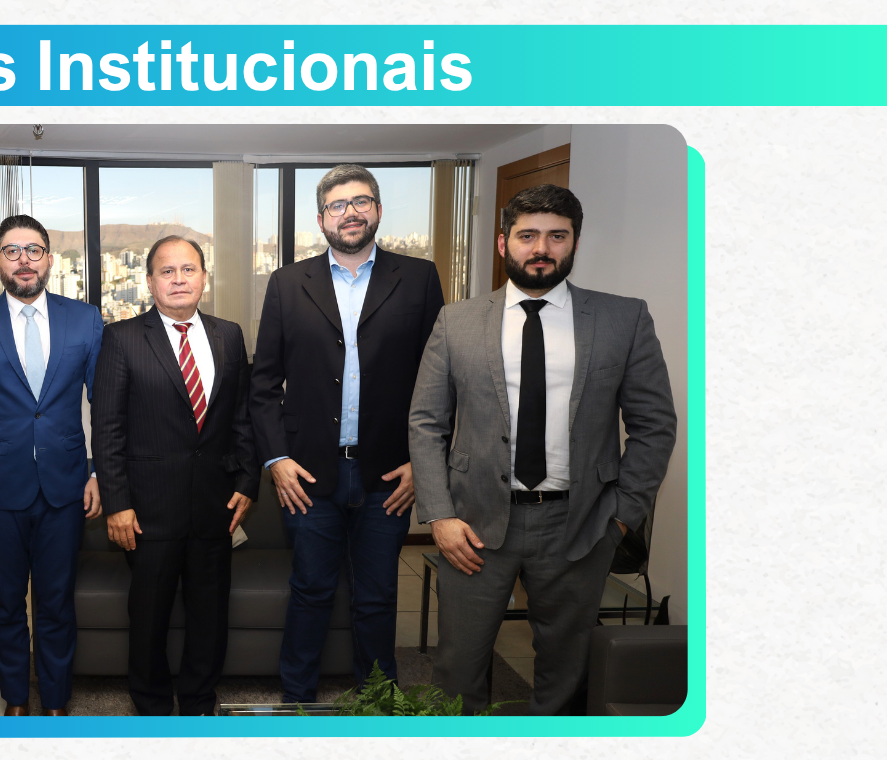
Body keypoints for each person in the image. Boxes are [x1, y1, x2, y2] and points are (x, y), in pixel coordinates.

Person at [409, 184, 677, 715]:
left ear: (575, 242)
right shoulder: (457, 321)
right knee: (459, 666)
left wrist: (623, 516)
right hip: (474, 524)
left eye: (558, 236)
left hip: (579, 525)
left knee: (566, 668)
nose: (542, 248)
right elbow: (425, 423)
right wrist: (438, 514)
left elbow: (654, 424)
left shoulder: (624, 320)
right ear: (504, 242)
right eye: (528, 235)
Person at [251, 164, 445, 703]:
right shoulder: (289, 283)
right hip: (309, 472)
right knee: (311, 590)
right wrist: (276, 460)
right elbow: (263, 383)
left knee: (378, 596)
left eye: (361, 201)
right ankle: (297, 701)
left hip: (390, 472)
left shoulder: (420, 277)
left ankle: (378, 704)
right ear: (321, 220)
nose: (350, 212)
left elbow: (440, 381)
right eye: (338, 205)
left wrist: (421, 462)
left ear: (378, 211)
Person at [91, 236, 260, 716]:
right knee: (149, 619)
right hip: (147, 511)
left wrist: (248, 482)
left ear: (205, 278)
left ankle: (199, 704)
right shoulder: (121, 338)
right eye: (167, 271)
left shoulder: (229, 335)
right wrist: (118, 503)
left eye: (189, 270)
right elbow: (107, 429)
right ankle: (150, 711)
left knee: (210, 615)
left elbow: (242, 417)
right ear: (149, 282)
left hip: (216, 507)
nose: (179, 279)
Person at [0, 214, 104, 716]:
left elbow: (106, 404)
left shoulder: (86, 318)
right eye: (12, 251)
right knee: (6, 603)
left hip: (66, 486)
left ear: (50, 259)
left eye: (33, 250)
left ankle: (55, 700)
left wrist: (98, 471)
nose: (24, 261)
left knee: (56, 603)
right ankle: (16, 697)